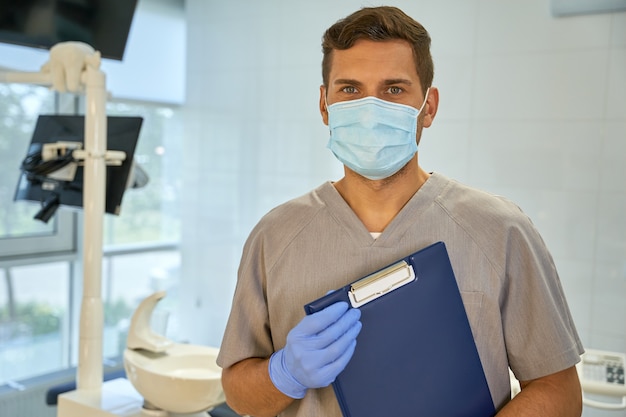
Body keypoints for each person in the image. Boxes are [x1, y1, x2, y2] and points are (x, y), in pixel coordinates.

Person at [216, 6, 584, 417]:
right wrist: (284, 374)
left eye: (393, 89)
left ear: (428, 107)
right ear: (324, 104)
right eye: (350, 90)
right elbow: (237, 392)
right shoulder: (275, 235)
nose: (370, 111)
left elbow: (558, 389)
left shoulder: (501, 230)